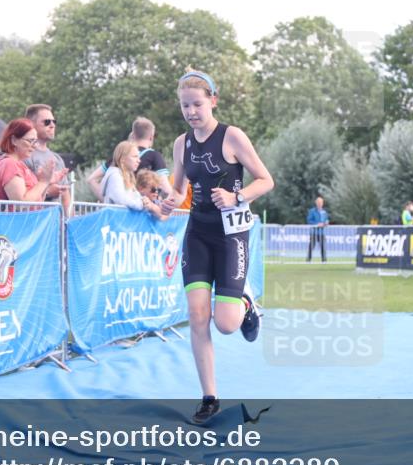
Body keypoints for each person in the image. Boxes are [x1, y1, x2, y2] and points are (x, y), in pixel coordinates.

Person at [160, 69, 274, 425]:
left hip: (231, 236)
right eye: (185, 106)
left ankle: (244, 302)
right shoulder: (182, 144)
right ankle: (209, 396)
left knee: (226, 324)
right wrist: (168, 202)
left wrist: (235, 195)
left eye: (197, 104)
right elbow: (180, 191)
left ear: (213, 100)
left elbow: (266, 180)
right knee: (197, 316)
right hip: (197, 234)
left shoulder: (232, 137)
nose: (192, 111)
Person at [0, 118, 67, 210]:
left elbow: (37, 199)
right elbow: (21, 204)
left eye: (35, 141)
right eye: (30, 141)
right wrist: (43, 181)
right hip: (14, 223)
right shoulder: (10, 164)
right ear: (14, 140)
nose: (35, 146)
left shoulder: (14, 163)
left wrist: (46, 180)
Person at [87, 116, 173, 201]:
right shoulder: (155, 156)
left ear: (133, 135)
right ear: (151, 137)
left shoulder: (120, 156)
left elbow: (92, 179)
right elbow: (165, 187)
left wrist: (107, 200)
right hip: (143, 210)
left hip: (120, 210)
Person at [23, 104, 72, 214]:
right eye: (47, 122)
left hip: (55, 224)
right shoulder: (25, 156)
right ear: (31, 124)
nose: (52, 125)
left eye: (54, 122)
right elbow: (21, 195)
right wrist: (48, 192)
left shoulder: (57, 159)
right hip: (34, 221)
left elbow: (66, 197)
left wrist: (70, 225)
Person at [102, 140, 147, 211]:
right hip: (115, 221)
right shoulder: (115, 176)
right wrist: (141, 204)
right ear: (122, 159)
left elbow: (135, 197)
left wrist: (144, 200)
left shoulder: (126, 176)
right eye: (135, 156)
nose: (139, 160)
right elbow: (121, 200)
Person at [306, 195, 329, 263]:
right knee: (311, 246)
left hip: (322, 232)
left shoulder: (324, 212)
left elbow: (326, 220)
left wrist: (326, 223)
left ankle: (324, 260)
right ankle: (308, 260)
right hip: (314, 232)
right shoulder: (312, 211)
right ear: (316, 203)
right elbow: (309, 220)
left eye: (321, 202)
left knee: (323, 246)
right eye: (318, 202)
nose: (319, 204)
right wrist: (317, 224)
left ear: (322, 203)